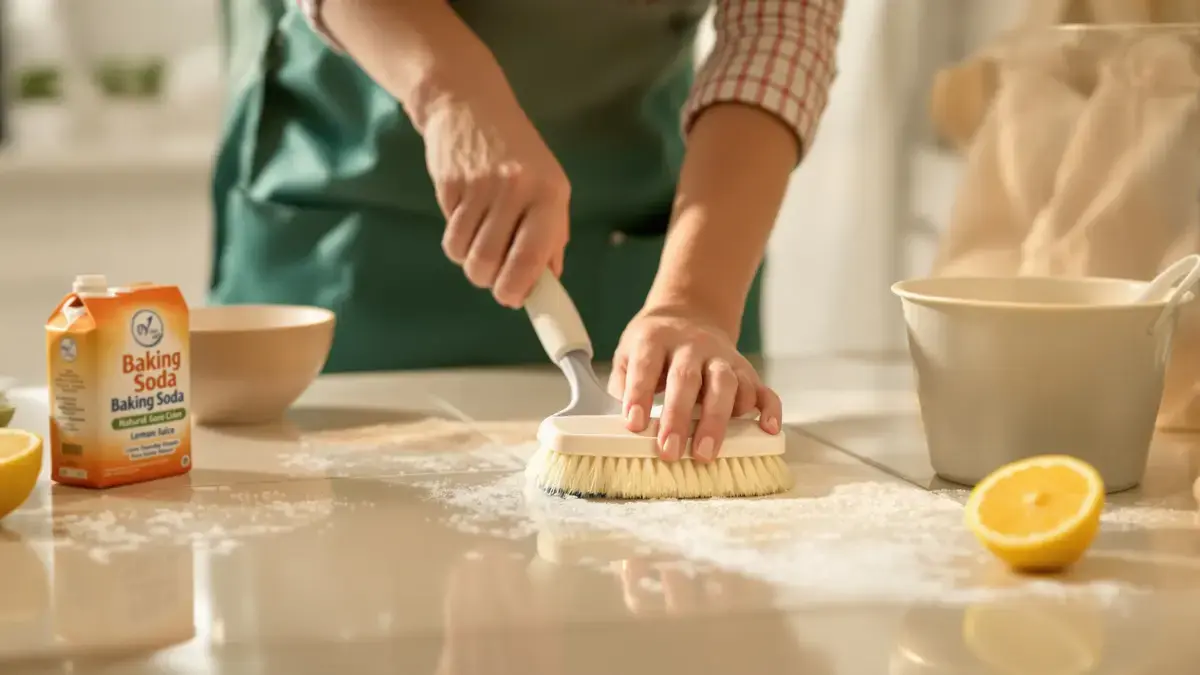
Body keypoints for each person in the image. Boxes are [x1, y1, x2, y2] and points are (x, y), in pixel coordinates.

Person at [212, 0, 843, 463]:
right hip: (343, 229)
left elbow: (779, 28)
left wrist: (695, 300)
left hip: (637, 244)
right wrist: (449, 92)